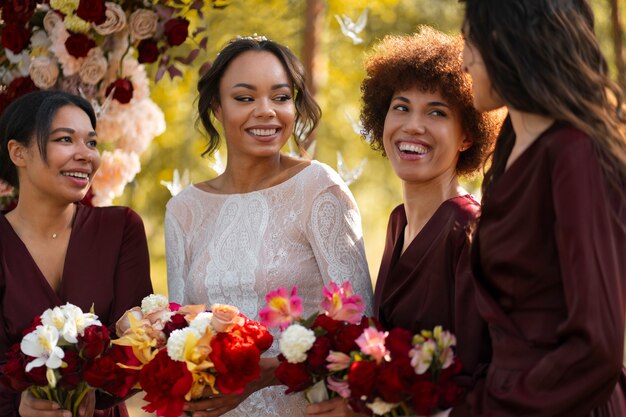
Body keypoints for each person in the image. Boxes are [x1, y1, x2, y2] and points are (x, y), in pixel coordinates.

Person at [165, 36, 373, 417]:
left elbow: (359, 326)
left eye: (280, 97)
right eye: (245, 98)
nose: (266, 111)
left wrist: (269, 373)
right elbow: (180, 334)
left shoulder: (319, 189)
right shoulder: (184, 210)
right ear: (216, 107)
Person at [307, 26, 499, 417]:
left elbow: (481, 375)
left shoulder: (468, 231)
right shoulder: (398, 224)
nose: (413, 125)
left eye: (437, 112)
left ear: (467, 136)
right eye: (401, 106)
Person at [460, 0, 626, 415]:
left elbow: (597, 344)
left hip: (557, 403)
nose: (463, 62)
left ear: (504, 44)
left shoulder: (574, 154)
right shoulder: (511, 146)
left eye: (469, 44)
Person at [0, 90, 153, 417]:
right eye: (65, 139)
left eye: (92, 143)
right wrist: (19, 405)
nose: (87, 155)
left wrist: (95, 392)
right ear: (18, 152)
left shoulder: (121, 229)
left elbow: (139, 351)